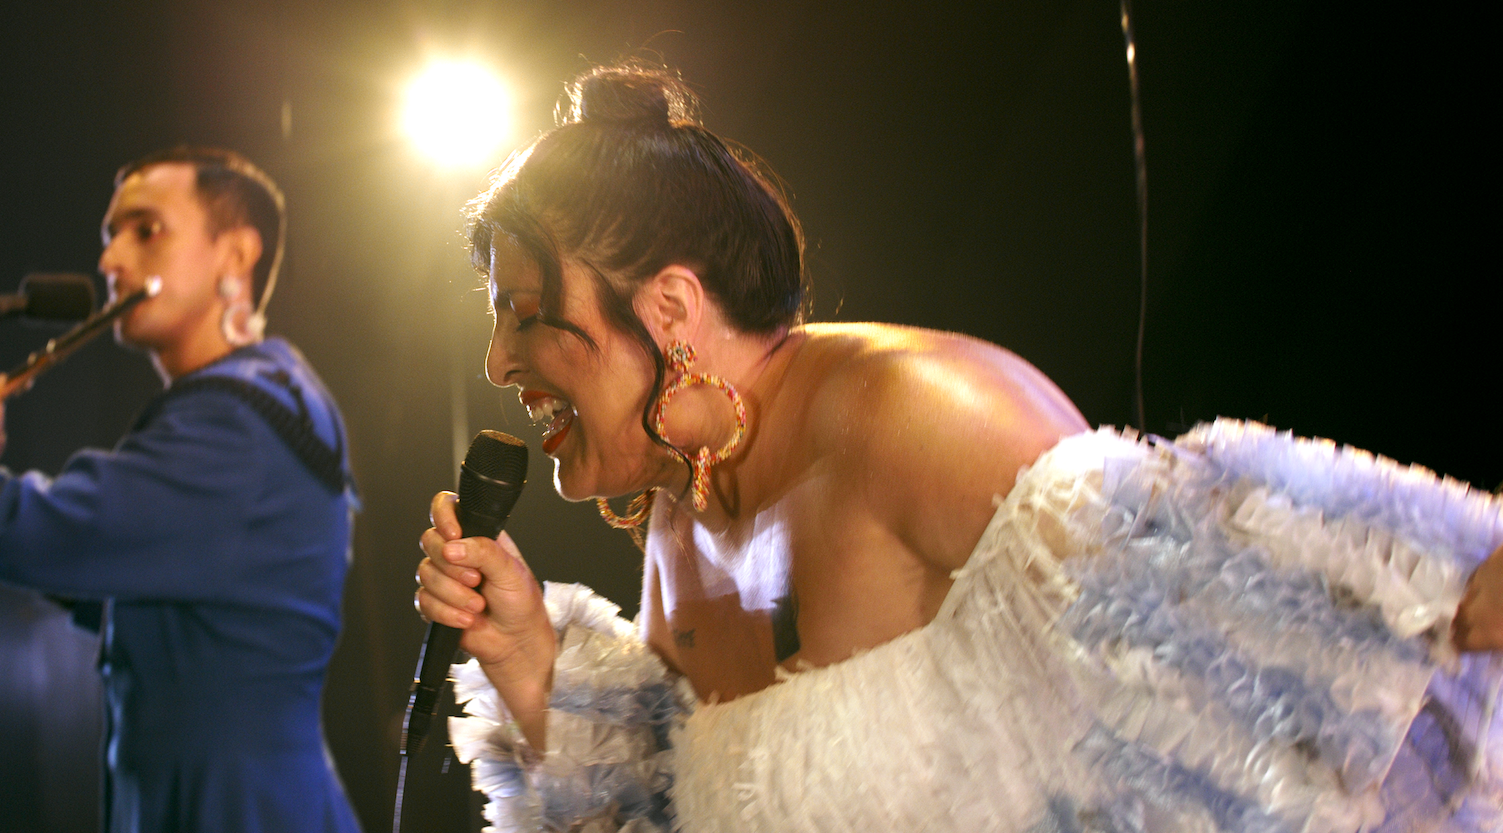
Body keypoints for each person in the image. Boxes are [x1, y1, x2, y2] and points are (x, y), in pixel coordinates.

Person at [413, 64, 1503, 833]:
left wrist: (1452, 579)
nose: (498, 361)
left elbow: (1240, 594)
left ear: (667, 308)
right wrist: (528, 660)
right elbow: (668, 798)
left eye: (522, 311)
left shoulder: (913, 416)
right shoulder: (675, 522)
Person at [0, 147, 363, 833]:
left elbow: (41, 533)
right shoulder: (259, 398)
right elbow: (147, 603)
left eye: (146, 231)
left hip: (242, 810)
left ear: (235, 255)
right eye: (109, 236)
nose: (111, 261)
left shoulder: (237, 419)